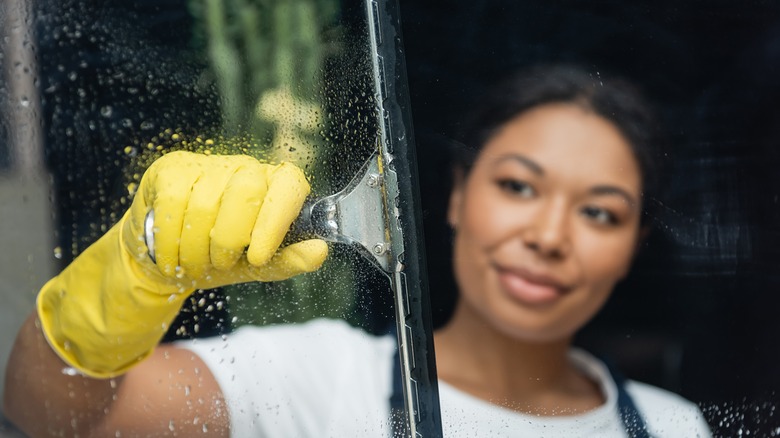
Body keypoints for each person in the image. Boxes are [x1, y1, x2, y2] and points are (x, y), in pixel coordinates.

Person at [3, 65, 711, 437]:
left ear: (632, 247)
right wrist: (129, 275)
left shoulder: (675, 428)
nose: (549, 236)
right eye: (519, 187)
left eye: (598, 212)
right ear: (459, 197)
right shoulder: (315, 379)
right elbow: (57, 418)